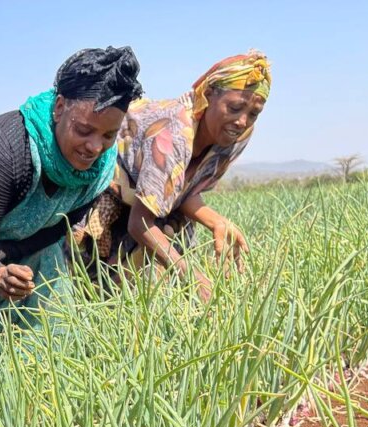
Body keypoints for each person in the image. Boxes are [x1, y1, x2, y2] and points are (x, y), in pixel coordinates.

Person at [0, 46, 142, 329]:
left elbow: (59, 229)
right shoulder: (6, 149)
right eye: (83, 130)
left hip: (21, 250)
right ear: (59, 108)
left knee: (54, 331)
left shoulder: (99, 169)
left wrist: (12, 262)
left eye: (108, 135)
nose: (95, 147)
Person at [73, 51, 272, 301]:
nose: (242, 121)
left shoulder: (234, 135)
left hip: (152, 205)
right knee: (102, 291)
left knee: (168, 280)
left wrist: (217, 221)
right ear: (209, 95)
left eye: (253, 113)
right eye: (234, 108)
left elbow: (183, 189)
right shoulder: (173, 134)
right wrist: (194, 279)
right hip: (114, 195)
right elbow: (140, 223)